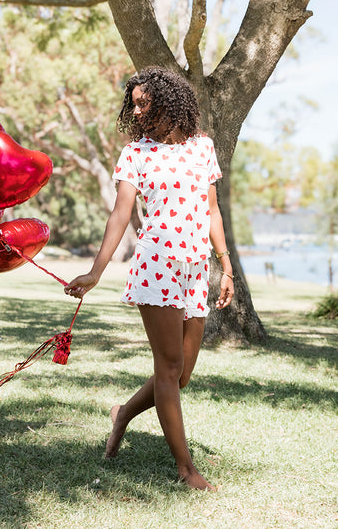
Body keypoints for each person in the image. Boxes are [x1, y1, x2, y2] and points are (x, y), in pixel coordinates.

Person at [65, 66, 234, 491]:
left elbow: (211, 209)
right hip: (156, 265)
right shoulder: (136, 154)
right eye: (134, 104)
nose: (138, 111)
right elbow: (120, 214)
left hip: (196, 267)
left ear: (168, 101)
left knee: (182, 374)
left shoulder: (202, 148)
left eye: (145, 103)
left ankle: (122, 413)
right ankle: (185, 470)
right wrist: (96, 271)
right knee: (169, 366)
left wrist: (225, 263)